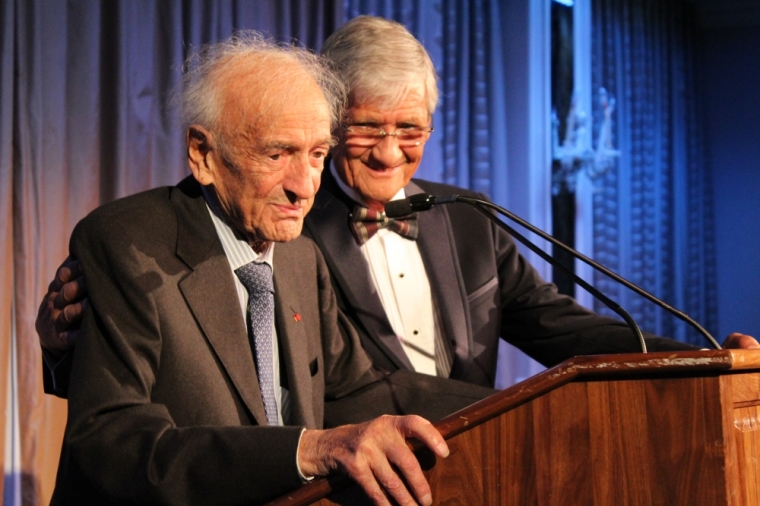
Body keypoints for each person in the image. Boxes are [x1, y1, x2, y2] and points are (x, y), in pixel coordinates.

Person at [38, 17, 758, 399]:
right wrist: (65, 350)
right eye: (366, 132)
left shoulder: (468, 218)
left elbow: (563, 330)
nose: (389, 155)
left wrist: (699, 362)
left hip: (482, 463)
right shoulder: (279, 227)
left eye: (409, 132)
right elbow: (185, 377)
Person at [48, 33, 493, 506]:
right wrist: (307, 450)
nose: (304, 187)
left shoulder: (301, 256)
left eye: (317, 154)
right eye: (277, 154)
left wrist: (514, 403)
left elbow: (356, 388)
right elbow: (113, 440)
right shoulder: (128, 243)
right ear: (203, 154)